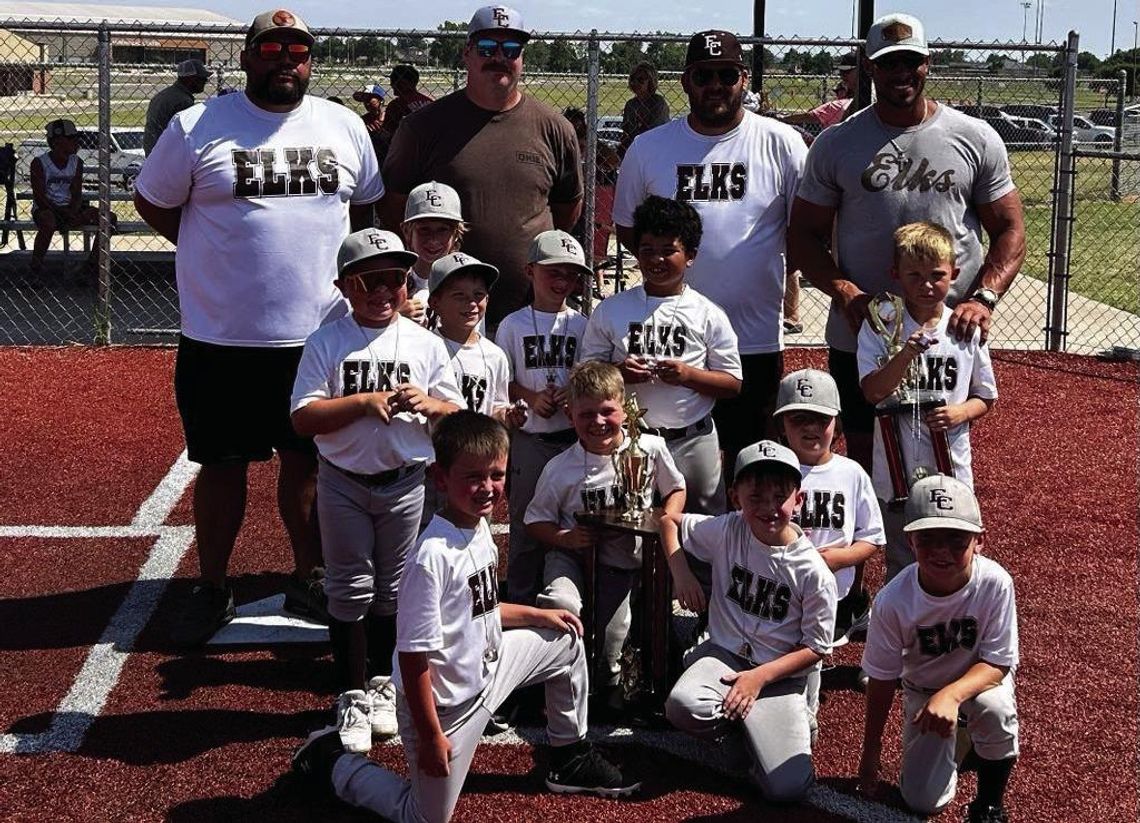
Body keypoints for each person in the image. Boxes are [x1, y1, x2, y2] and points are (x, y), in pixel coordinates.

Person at [134, 7, 385, 646]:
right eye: (271, 49)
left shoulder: (344, 125)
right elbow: (154, 204)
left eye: (297, 51)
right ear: (246, 57)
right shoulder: (198, 125)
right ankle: (213, 583)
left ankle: (309, 574)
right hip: (221, 337)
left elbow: (364, 208)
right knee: (221, 467)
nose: (285, 60)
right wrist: (216, 260)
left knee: (307, 463)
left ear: (310, 61)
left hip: (319, 335)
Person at [291, 412, 641, 822]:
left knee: (566, 640)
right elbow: (413, 658)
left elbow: (481, 609)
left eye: (496, 474)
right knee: (424, 817)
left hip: (488, 671)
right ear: (440, 479)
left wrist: (538, 615)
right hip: (447, 706)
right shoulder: (431, 558)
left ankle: (569, 757)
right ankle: (335, 761)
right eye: (473, 476)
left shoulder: (478, 526)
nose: (488, 487)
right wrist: (429, 736)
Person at [788, 12, 1025, 473]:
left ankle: (940, 542)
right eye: (888, 62)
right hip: (864, 330)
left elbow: (1010, 230)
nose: (900, 73)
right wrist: (844, 291)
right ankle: (873, 547)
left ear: (927, 63)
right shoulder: (837, 143)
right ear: (869, 66)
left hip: (948, 331)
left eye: (910, 61)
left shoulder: (974, 137)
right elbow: (802, 234)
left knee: (944, 451)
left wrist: (985, 297)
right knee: (865, 454)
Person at [290, 228, 462, 751]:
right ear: (345, 286)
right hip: (342, 482)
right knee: (348, 588)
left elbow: (455, 414)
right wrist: (364, 403)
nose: (385, 290)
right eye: (370, 280)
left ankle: (385, 686)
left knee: (392, 589)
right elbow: (303, 418)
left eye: (396, 278)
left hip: (404, 482)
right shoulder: (328, 341)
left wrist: (431, 405)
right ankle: (350, 691)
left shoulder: (425, 344)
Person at [614, 30, 808, 472]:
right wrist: (669, 278)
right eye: (703, 75)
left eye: (726, 74)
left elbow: (804, 231)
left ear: (744, 79)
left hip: (752, 336)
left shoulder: (781, 142)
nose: (715, 84)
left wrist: (763, 271)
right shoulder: (650, 147)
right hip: (668, 336)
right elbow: (629, 229)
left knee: (751, 464)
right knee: (664, 470)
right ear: (686, 82)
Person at [381, 5, 582, 329]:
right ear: (467, 53)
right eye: (487, 48)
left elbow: (566, 209)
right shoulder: (422, 127)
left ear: (522, 58)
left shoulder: (554, 128)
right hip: (443, 319)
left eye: (511, 49)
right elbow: (394, 207)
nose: (499, 57)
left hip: (528, 313)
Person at [660, 440, 837, 804]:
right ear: (735, 497)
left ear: (798, 500)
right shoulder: (728, 528)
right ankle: (742, 736)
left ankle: (794, 714)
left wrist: (758, 679)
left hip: (779, 676)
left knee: (788, 790)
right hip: (724, 657)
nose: (769, 508)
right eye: (755, 497)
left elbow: (817, 647)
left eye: (780, 496)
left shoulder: (813, 572)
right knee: (681, 704)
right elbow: (668, 521)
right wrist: (681, 572)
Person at [525, 361, 685, 713]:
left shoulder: (649, 449)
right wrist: (566, 539)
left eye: (606, 411)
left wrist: (667, 518)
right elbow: (534, 521)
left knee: (612, 642)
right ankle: (544, 679)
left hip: (626, 560)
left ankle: (611, 685)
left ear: (624, 407)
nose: (598, 422)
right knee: (561, 607)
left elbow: (676, 488)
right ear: (570, 416)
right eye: (586, 415)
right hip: (572, 556)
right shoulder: (560, 467)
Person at [858, 475, 1018, 823]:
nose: (941, 551)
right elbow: (882, 679)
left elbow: (997, 664)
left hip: (978, 683)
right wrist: (871, 752)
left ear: (979, 541)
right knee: (923, 802)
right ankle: (965, 742)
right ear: (910, 541)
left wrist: (952, 696)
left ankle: (989, 804)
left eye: (956, 540)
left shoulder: (995, 583)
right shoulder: (892, 601)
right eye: (927, 538)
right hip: (922, 691)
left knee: (996, 708)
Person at [582, 195, 740, 517]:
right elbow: (586, 373)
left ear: (691, 255)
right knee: (631, 531)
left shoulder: (708, 313)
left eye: (669, 250)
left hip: (693, 438)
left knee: (700, 527)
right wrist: (619, 373)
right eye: (647, 250)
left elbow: (733, 383)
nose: (657, 259)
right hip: (631, 441)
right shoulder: (612, 309)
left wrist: (688, 376)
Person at [858, 221, 997, 580]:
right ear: (896, 275)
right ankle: (903, 627)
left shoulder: (965, 328)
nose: (926, 285)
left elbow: (985, 396)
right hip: (895, 463)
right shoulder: (882, 324)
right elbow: (873, 392)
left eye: (936, 275)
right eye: (914, 275)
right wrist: (905, 353)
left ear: (954, 273)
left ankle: (953, 618)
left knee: (956, 549)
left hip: (950, 461)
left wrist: (960, 412)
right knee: (903, 557)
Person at [774, 368, 884, 708]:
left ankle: (807, 713)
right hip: (779, 586)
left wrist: (837, 559)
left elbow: (873, 538)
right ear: (782, 425)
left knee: (814, 650)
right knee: (781, 648)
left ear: (836, 422)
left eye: (820, 419)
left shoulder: (851, 473)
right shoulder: (772, 469)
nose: (810, 428)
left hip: (831, 587)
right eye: (799, 419)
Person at [496, 230, 590, 604]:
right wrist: (531, 397)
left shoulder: (582, 324)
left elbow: (590, 375)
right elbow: (503, 382)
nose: (562, 281)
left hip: (572, 439)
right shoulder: (513, 325)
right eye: (554, 272)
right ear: (530, 271)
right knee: (525, 524)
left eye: (570, 274)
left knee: (571, 522)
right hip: (531, 439)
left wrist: (574, 394)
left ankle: (565, 598)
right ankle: (520, 599)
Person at [428, 251, 524, 428]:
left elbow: (495, 406)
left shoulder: (495, 355)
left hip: (477, 451)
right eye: (459, 295)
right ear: (435, 302)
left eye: (478, 294)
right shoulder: (425, 348)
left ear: (487, 299)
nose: (471, 303)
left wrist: (506, 414)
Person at [28, 118, 104, 283]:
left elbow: (76, 193)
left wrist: (72, 211)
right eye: (71, 139)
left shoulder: (76, 162)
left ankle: (90, 267)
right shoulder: (39, 163)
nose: (76, 142)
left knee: (107, 218)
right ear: (56, 141)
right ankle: (35, 269)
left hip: (70, 209)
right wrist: (60, 213)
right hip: (47, 208)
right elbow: (40, 197)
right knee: (48, 222)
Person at [399, 181, 466, 328]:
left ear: (456, 234)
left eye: (443, 230)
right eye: (424, 230)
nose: (433, 240)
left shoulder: (468, 282)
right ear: (407, 231)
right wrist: (394, 318)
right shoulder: (394, 282)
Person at [143, 58, 211, 155]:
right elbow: (187, 135)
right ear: (190, 79)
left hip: (155, 150)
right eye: (202, 78)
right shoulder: (183, 101)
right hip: (168, 154)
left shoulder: (165, 94)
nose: (205, 81)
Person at [780, 52, 858, 131]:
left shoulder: (837, 105)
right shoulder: (852, 101)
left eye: (847, 71)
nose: (842, 75)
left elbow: (810, 116)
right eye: (841, 72)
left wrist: (782, 118)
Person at [619, 62, 670, 157]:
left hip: (655, 150)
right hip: (634, 150)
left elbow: (654, 132)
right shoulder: (631, 104)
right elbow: (626, 133)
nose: (635, 83)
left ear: (650, 81)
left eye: (641, 80)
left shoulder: (658, 103)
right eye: (633, 79)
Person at [382, 65, 434, 142]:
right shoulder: (429, 101)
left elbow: (386, 134)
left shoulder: (396, 104)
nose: (391, 84)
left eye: (394, 80)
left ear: (403, 82)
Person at [352, 83, 387, 160]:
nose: (367, 103)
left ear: (380, 100)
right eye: (364, 100)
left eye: (369, 100)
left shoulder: (390, 116)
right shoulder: (363, 120)